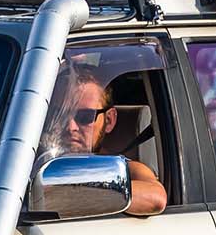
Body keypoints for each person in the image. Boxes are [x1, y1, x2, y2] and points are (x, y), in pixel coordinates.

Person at [59, 67, 167, 216]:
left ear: (109, 120)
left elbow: (155, 198)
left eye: (85, 117)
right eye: (61, 116)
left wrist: (71, 191)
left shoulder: (125, 168)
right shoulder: (32, 162)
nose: (70, 126)